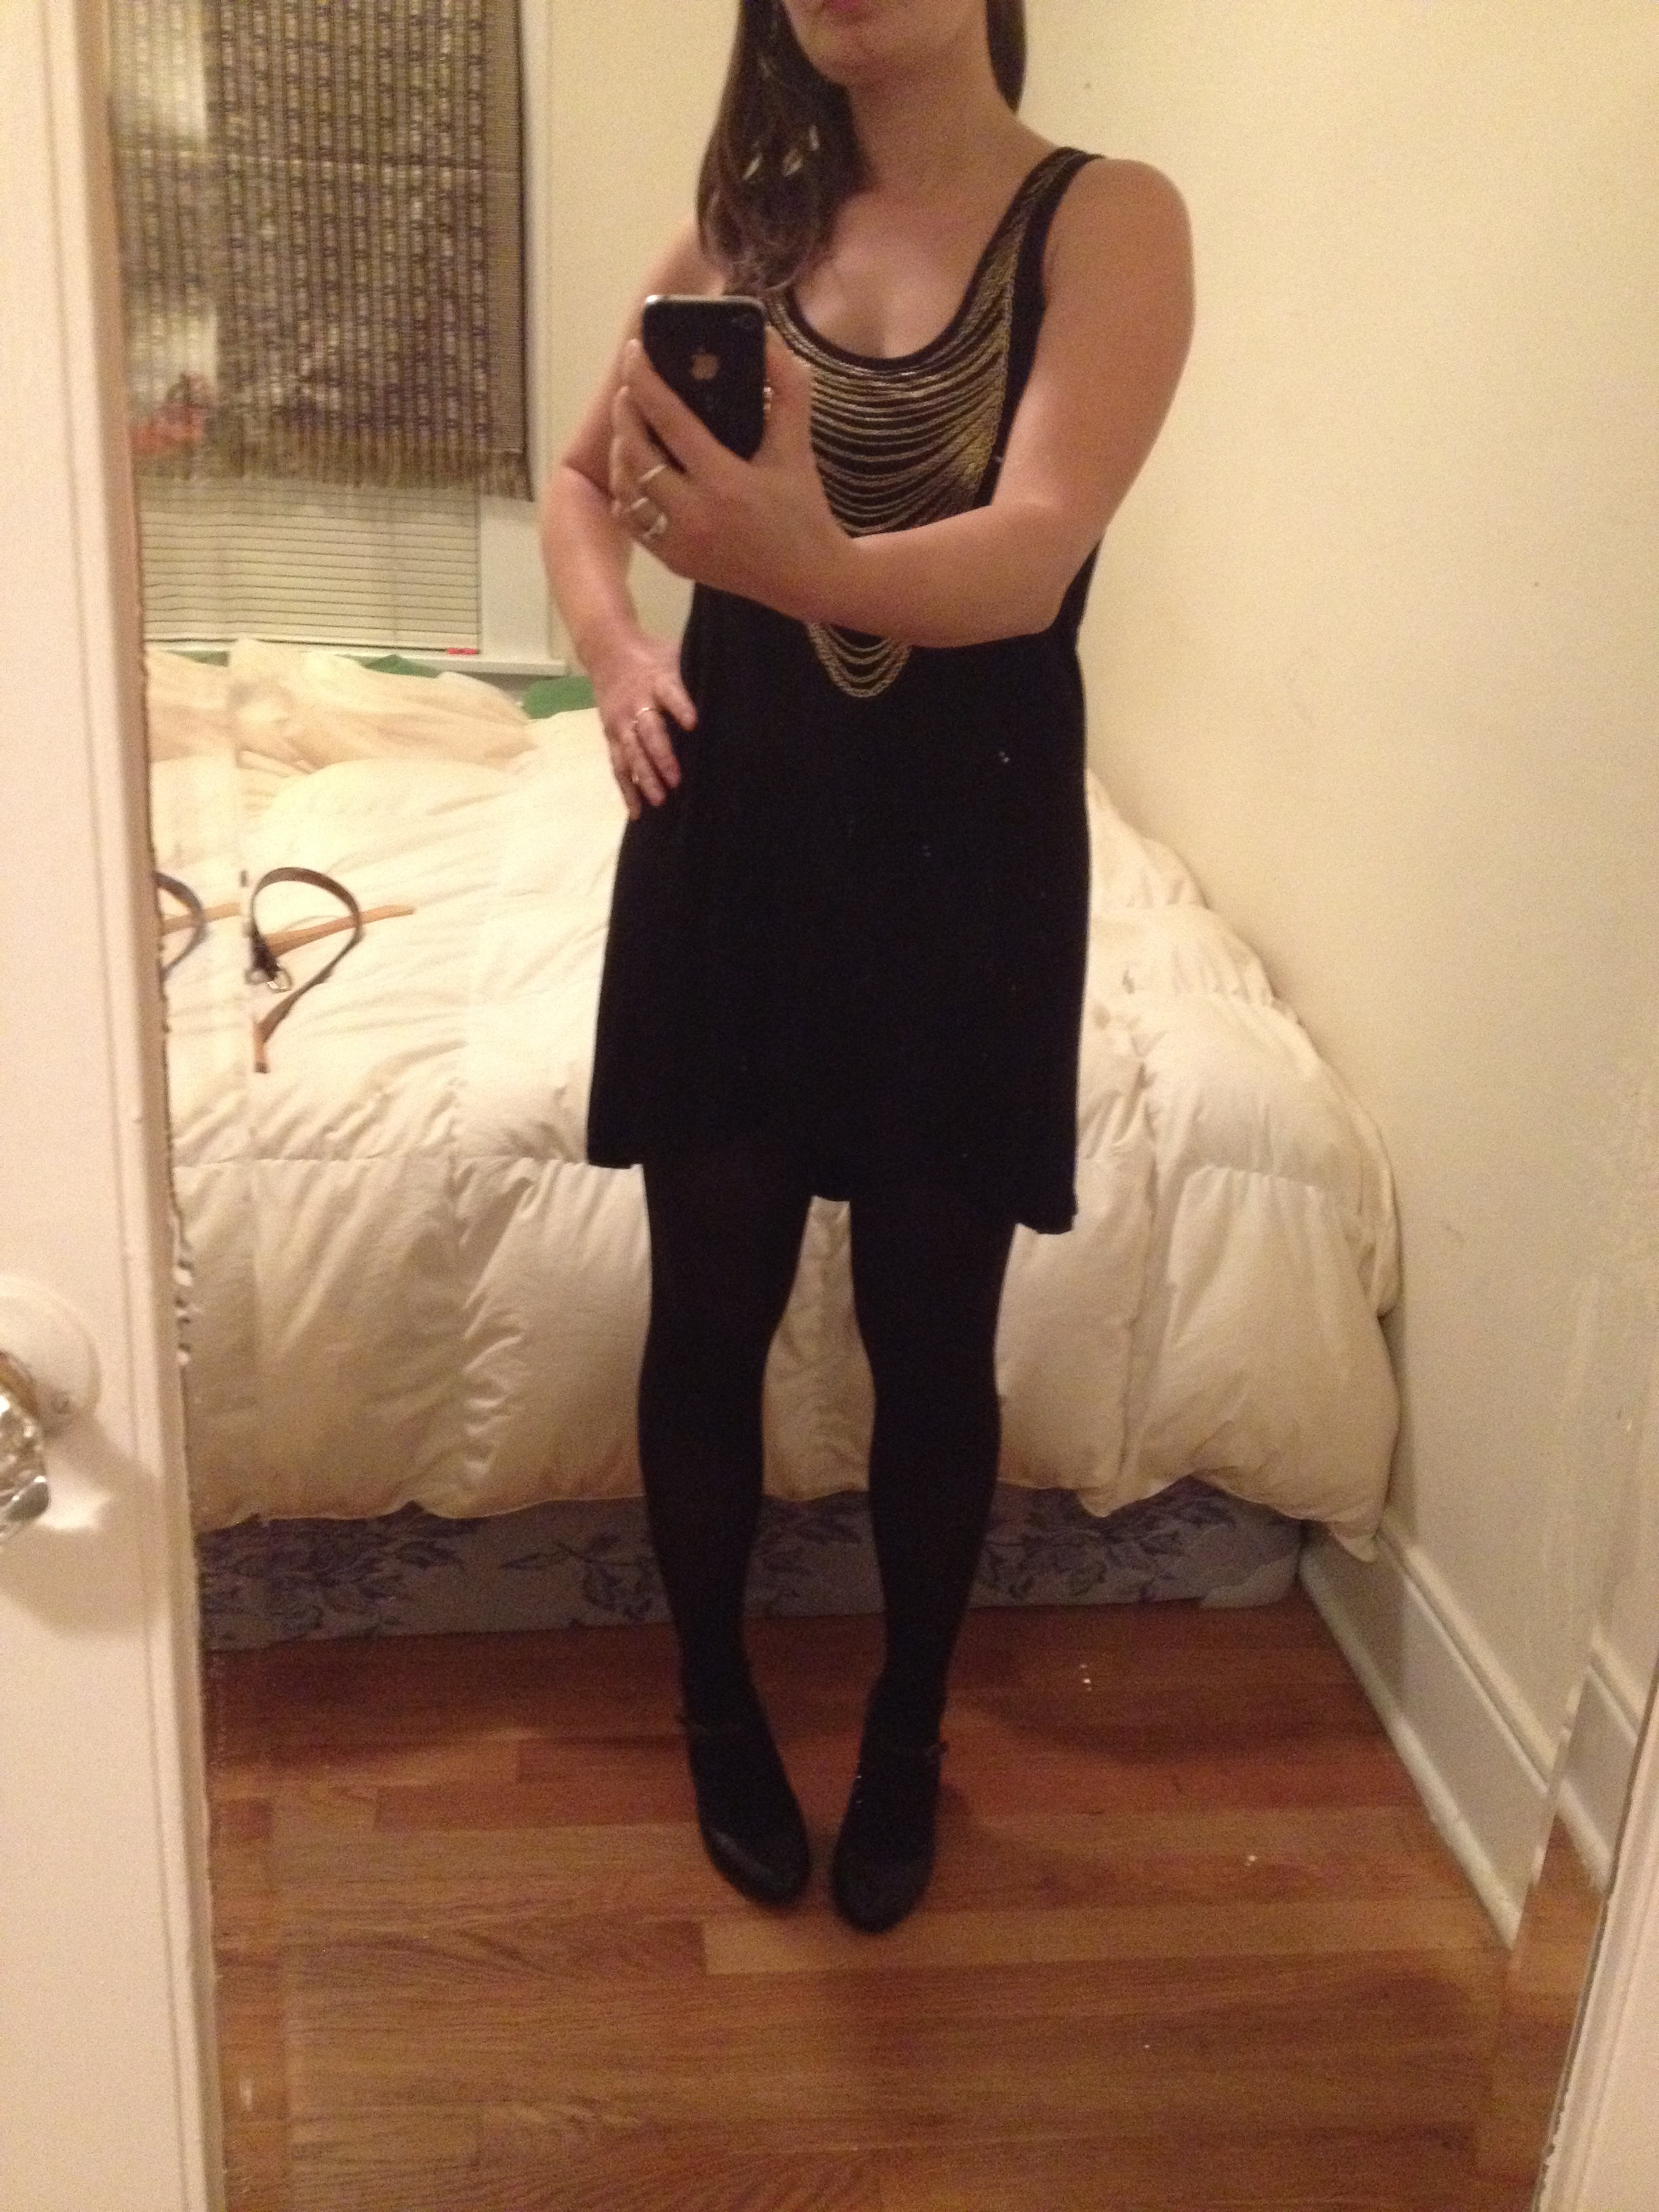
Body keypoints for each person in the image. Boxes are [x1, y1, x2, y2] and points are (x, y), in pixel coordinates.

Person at [541, 0, 1192, 1932]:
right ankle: (713, 1701)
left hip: (964, 863)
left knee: (933, 1329)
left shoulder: (1106, 220)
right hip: (734, 842)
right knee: (706, 1308)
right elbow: (576, 482)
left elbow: (1034, 555)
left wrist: (782, 553)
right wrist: (614, 655)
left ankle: (907, 1732)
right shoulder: (733, 233)